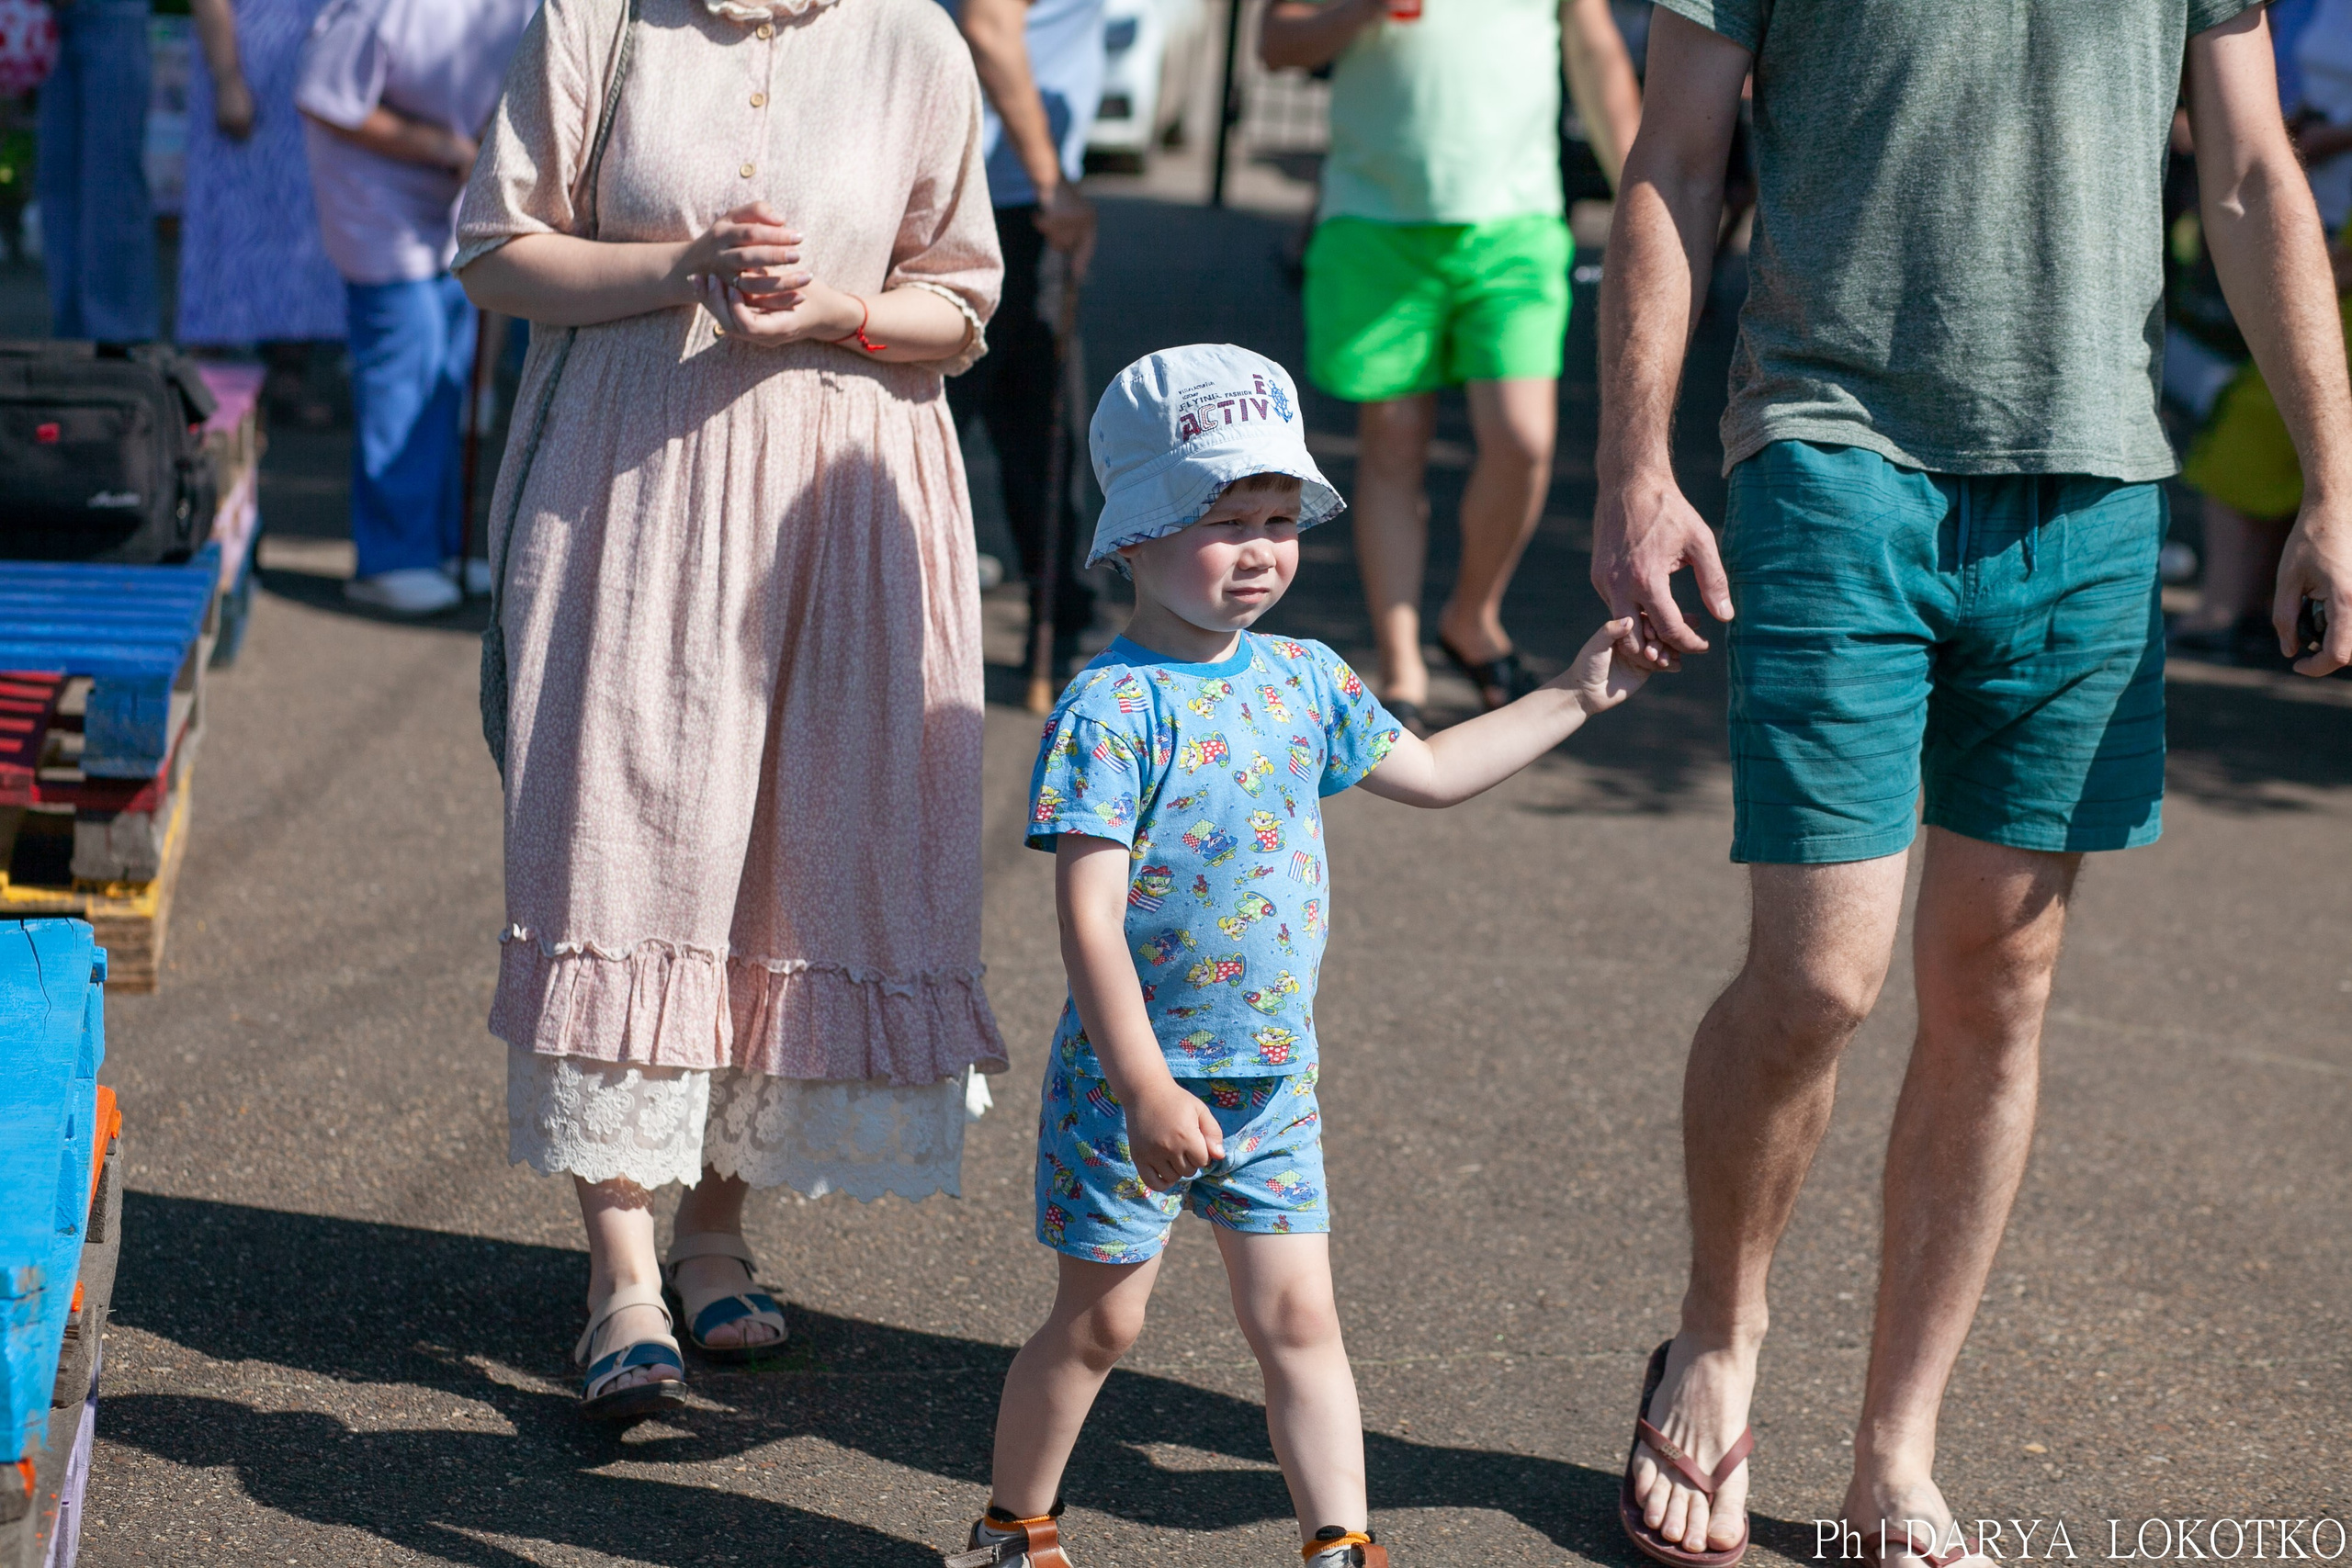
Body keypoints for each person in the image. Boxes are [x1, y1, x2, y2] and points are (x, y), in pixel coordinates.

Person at [1593, 4, 2352, 1565]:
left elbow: (2256, 173)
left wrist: (2337, 482)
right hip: (1828, 441)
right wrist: (1634, 466)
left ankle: (1897, 1450)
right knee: (1818, 976)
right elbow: (1674, 154)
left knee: (1997, 983)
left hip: (2088, 480)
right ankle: (1717, 1339)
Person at [952, 344, 1646, 1568]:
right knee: (1100, 1321)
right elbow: (1088, 916)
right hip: (1133, 1088)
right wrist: (1144, 1085)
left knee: (1299, 1317)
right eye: (1224, 523)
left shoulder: (1307, 679)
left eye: (1280, 520)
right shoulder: (1112, 709)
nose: (1263, 550)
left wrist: (1575, 698)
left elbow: (1429, 772)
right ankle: (1014, 1521)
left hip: (1273, 1079)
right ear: (1133, 538)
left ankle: (1341, 1539)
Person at [454, 0, 1006, 1420]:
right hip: (628, 486)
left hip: (847, 501)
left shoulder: (916, 45)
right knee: (625, 843)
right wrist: (678, 266)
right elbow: (497, 252)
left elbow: (961, 303)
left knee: (788, 858)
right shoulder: (602, 17)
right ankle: (621, 1271)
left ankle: (714, 1230)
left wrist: (843, 312)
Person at [1260, 0, 1640, 728]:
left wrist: (1642, 198)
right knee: (1392, 446)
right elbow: (1278, 42)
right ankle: (1401, 665)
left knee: (1524, 440)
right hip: (1375, 223)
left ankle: (1472, 617)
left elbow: (1596, 54)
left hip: (1515, 225)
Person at [294, 0, 534, 614]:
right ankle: (391, 558)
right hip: (374, 196)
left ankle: (441, 549)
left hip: (453, 193)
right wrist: (433, 143)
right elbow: (322, 92)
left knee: (448, 376)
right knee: (406, 368)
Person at [2175, 0, 2352, 661]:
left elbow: (2254, 165)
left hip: (2322, 237)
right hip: (2303, 232)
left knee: (2256, 428)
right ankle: (2240, 606)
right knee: (2242, 426)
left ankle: (2230, 606)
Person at [941, 0, 1105, 661]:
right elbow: (988, 24)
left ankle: (1062, 611)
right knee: (939, 425)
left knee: (1039, 426)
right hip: (990, 199)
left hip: (1007, 197)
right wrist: (1052, 182)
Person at [182, 0, 346, 422]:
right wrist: (227, 78)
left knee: (298, 231)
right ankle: (201, 391)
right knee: (228, 225)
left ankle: (287, 379)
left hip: (304, 90)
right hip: (245, 77)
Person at [36, 0, 160, 339]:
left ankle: (120, 339)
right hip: (56, 17)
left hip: (113, 11)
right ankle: (73, 334)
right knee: (58, 185)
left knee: (112, 184)